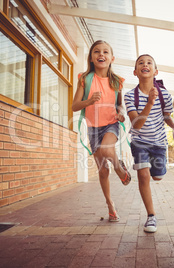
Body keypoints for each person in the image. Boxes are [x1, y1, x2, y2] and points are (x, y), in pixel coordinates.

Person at [72, 40, 131, 222]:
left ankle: (120, 170)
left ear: (111, 58)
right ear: (91, 57)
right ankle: (110, 205)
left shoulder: (116, 81)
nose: (101, 55)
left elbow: (119, 106)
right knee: (103, 170)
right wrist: (89, 101)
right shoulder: (84, 78)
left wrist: (121, 114)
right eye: (96, 51)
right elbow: (75, 106)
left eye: (105, 52)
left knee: (107, 150)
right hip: (93, 127)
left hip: (110, 124)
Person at [124, 54, 174, 233]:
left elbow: (166, 116)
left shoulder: (164, 94)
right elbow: (137, 124)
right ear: (135, 72)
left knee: (157, 176)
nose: (145, 64)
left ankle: (157, 171)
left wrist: (173, 125)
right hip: (139, 141)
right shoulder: (129, 96)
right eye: (141, 63)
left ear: (155, 71)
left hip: (158, 143)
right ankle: (151, 216)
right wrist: (150, 102)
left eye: (149, 62)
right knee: (143, 176)